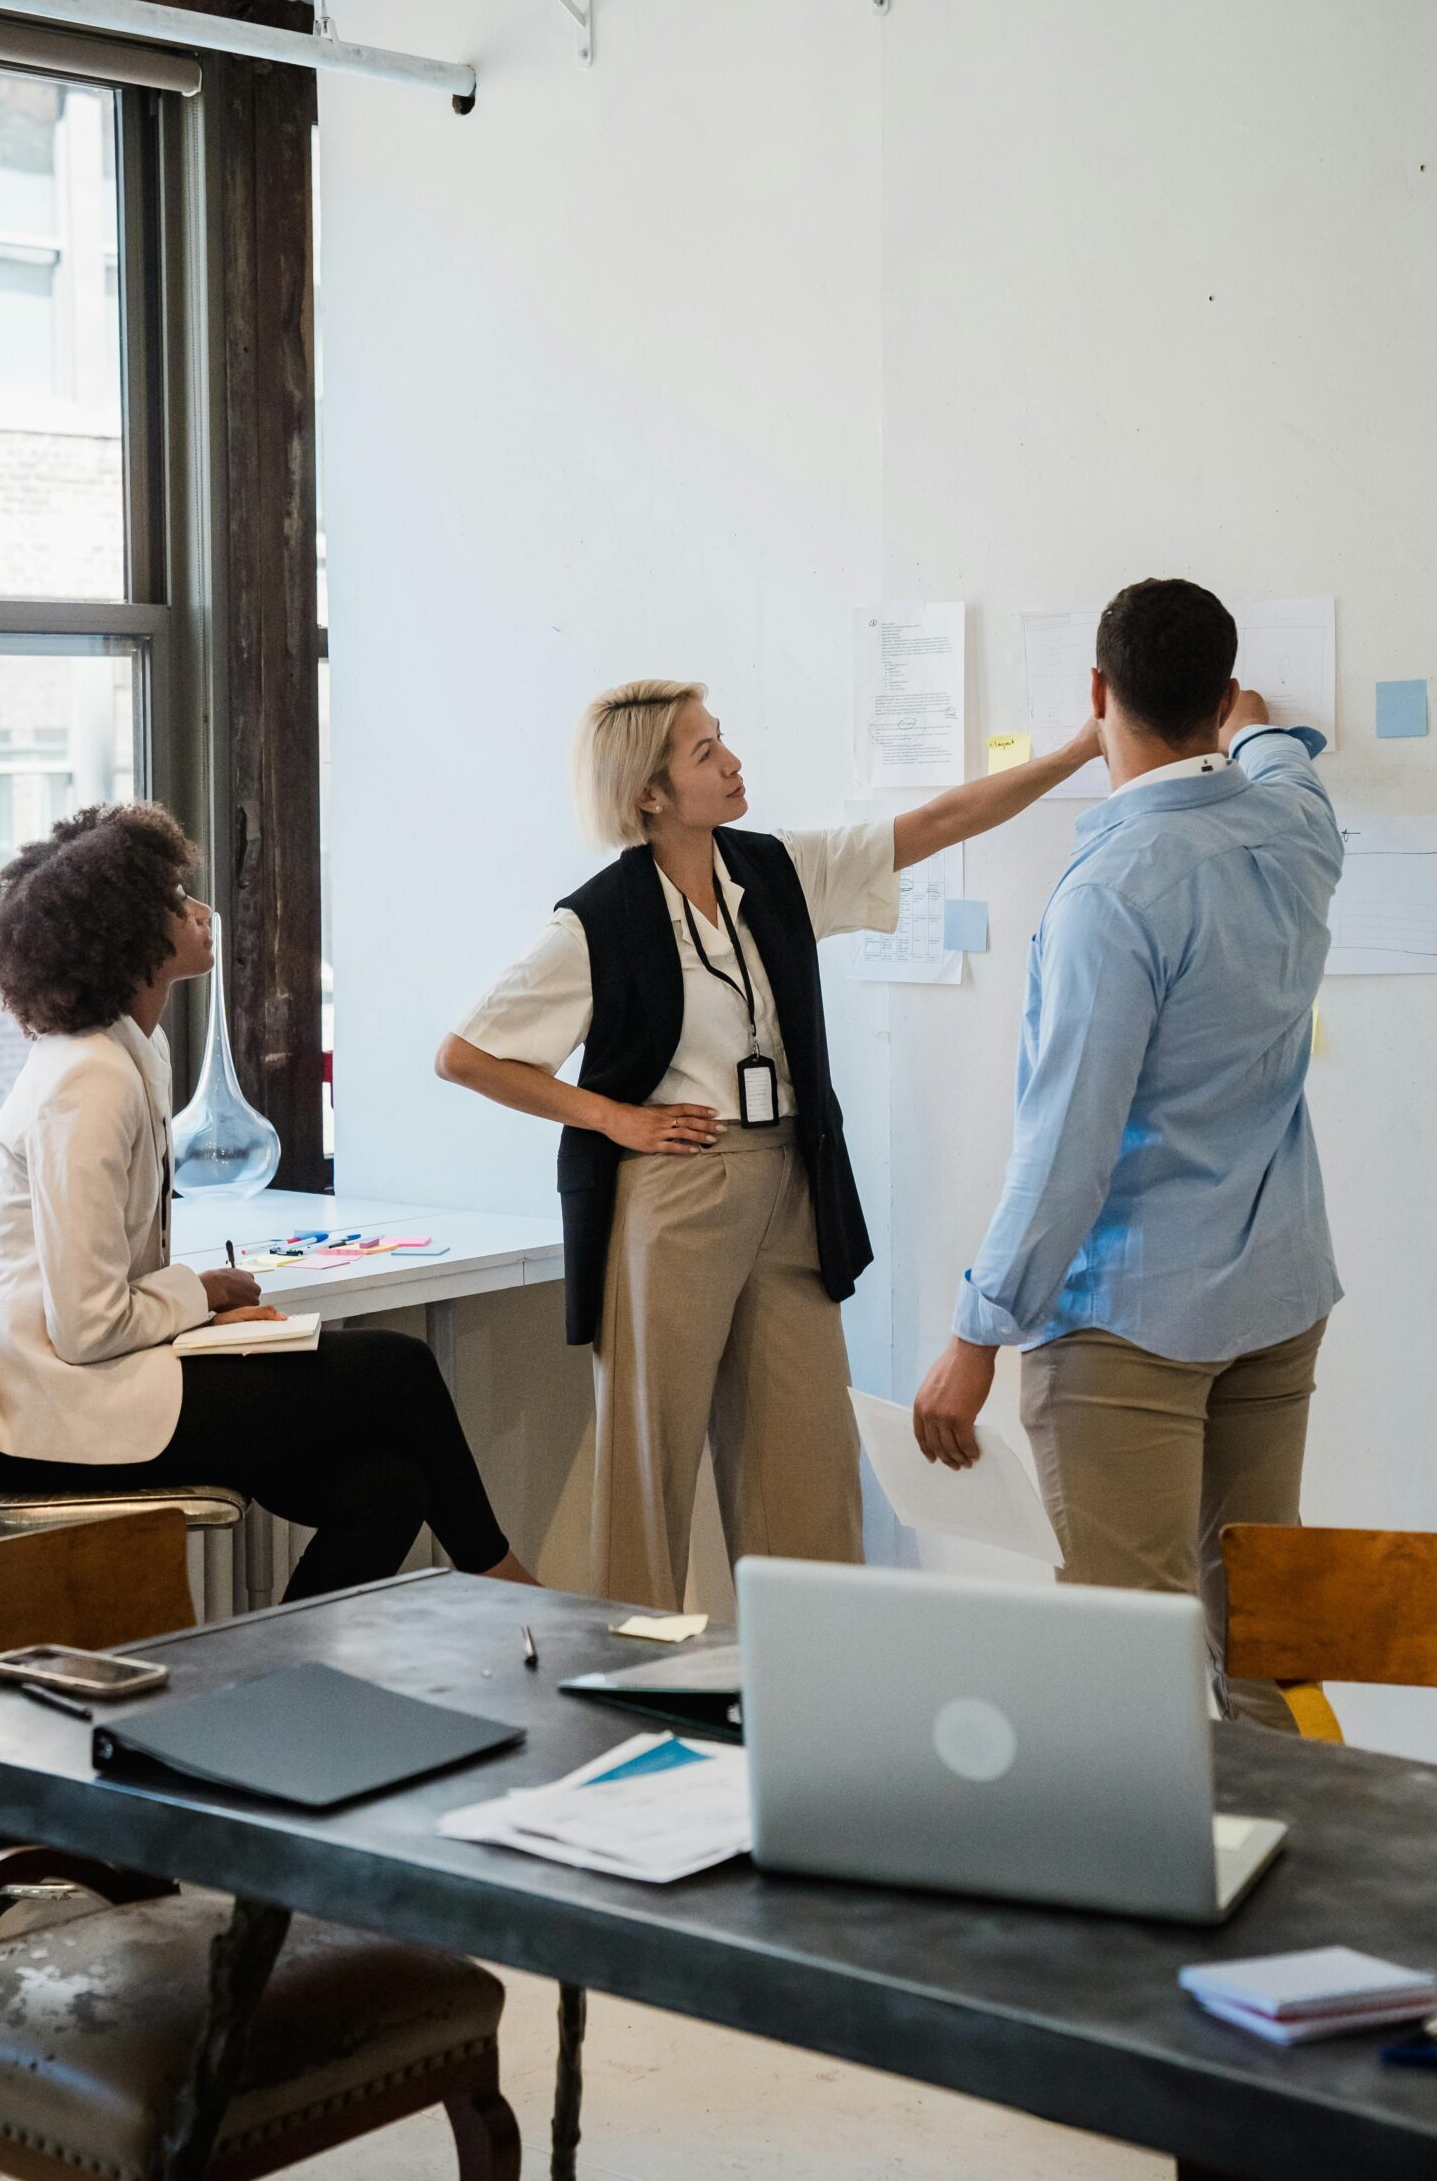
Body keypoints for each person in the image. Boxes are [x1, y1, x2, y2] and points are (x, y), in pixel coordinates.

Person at [436, 679, 1100, 1610]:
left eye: (722, 741)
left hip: (790, 1180)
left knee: (806, 1457)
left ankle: (811, 1692)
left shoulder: (774, 869)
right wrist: (615, 1119)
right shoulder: (595, 920)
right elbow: (465, 1056)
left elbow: (938, 822)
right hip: (672, 1193)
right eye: (705, 753)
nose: (733, 763)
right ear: (649, 793)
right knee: (648, 1462)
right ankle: (631, 1696)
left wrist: (1076, 755)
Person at [913, 579, 1342, 1729]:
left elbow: (1068, 1152)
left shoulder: (1112, 893)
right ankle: (1296, 1886)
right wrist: (1256, 725)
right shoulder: (1297, 826)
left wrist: (976, 1334)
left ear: (1097, 693)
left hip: (1130, 1325)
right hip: (1278, 1290)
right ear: (1220, 696)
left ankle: (1159, 1903)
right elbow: (1285, 756)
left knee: (1129, 1661)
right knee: (1266, 1639)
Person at [0, 801, 536, 1600]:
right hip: (69, 1414)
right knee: (399, 1368)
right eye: (173, 900)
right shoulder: (87, 1081)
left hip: (105, 1381)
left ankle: (278, 1686)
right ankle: (504, 1583)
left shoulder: (126, 1055)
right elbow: (88, 1327)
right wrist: (199, 1296)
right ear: (125, 935)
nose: (201, 912)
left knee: (390, 1485)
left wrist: (205, 1312)